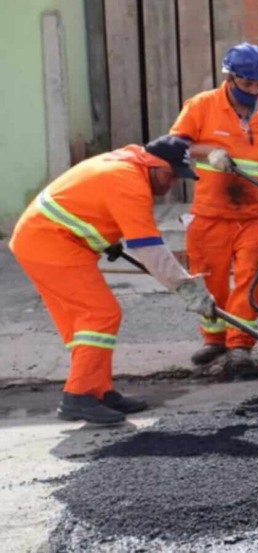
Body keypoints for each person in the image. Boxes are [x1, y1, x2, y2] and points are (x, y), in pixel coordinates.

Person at [8, 136, 215, 424]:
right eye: (170, 176)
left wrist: (106, 238)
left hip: (47, 239)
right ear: (154, 166)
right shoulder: (129, 183)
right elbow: (150, 249)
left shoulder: (126, 165)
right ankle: (77, 396)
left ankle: (99, 390)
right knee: (100, 315)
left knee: (85, 324)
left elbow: (92, 204)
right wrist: (186, 286)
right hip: (51, 243)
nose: (170, 186)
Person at [170, 42, 258, 372]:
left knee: (251, 277)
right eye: (247, 84)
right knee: (208, 276)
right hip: (211, 211)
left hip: (257, 212)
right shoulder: (201, 106)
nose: (254, 90)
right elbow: (174, 145)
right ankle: (214, 340)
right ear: (230, 78)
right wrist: (208, 151)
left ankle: (240, 344)